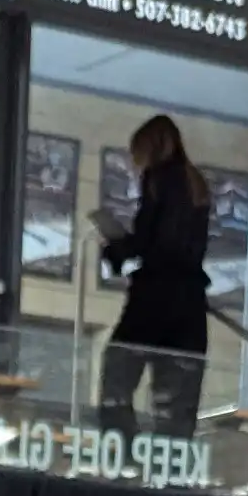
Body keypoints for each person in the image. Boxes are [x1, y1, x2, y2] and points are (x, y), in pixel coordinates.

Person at [98, 114, 210, 440]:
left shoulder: (158, 179)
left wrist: (116, 249)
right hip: (190, 306)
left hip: (155, 297)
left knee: (117, 373)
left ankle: (122, 452)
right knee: (174, 402)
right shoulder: (195, 183)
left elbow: (149, 239)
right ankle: (170, 470)